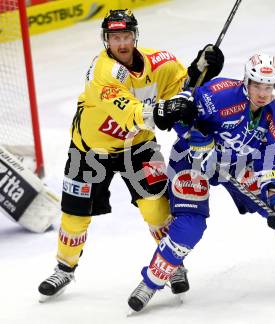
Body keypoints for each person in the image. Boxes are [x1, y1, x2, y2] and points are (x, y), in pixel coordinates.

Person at [126, 53, 275, 313]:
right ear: (246, 81)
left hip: (236, 166)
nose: (263, 93)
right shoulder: (219, 95)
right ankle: (151, 282)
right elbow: (181, 112)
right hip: (192, 161)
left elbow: (271, 166)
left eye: (269, 87)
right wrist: (199, 139)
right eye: (258, 86)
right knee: (189, 227)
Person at [37, 9, 224, 301]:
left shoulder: (160, 62)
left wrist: (201, 71)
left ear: (135, 37)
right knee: (73, 216)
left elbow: (182, 91)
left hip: (139, 148)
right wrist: (162, 110)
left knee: (157, 209)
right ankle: (64, 268)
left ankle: (172, 264)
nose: (121, 44)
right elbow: (131, 112)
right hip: (90, 150)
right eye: (115, 38)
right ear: (106, 40)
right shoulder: (102, 72)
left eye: (126, 36)